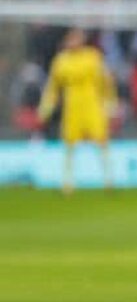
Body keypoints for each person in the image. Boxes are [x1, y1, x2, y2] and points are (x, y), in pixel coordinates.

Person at [37, 29, 115, 194]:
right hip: (72, 106)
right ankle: (67, 183)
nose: (73, 42)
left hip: (92, 104)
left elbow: (106, 81)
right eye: (71, 39)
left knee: (102, 141)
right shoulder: (61, 61)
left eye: (76, 39)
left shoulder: (93, 57)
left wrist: (110, 102)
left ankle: (109, 180)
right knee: (69, 144)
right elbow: (53, 87)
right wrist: (46, 107)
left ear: (82, 40)